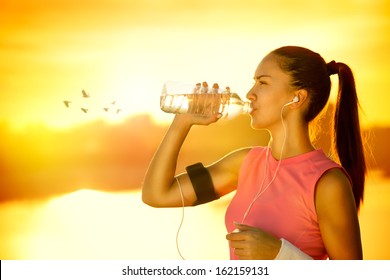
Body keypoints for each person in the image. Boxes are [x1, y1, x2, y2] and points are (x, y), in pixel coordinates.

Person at [142, 46, 366, 260]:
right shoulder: (245, 163)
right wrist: (182, 121)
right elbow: (157, 194)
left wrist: (280, 255)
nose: (250, 94)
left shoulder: (328, 183)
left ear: (297, 97)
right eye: (254, 82)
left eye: (262, 83)